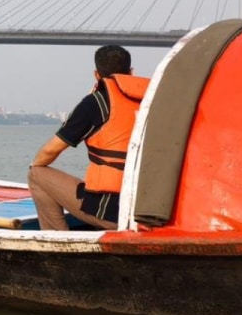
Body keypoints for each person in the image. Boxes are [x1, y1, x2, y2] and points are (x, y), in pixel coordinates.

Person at [28, 45, 150, 230]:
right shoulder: (153, 102)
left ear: (96, 75)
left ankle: (57, 242)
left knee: (36, 174)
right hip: (150, 212)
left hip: (112, 213)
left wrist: (35, 164)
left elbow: (50, 150)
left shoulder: (97, 103)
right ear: (131, 72)